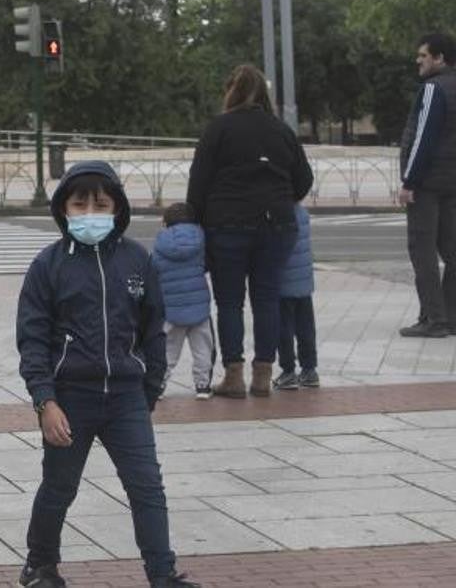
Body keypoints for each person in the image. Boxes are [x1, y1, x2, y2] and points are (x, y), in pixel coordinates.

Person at [17, 161, 197, 588]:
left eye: (101, 203)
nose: (90, 212)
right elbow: (32, 340)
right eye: (80, 204)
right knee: (59, 487)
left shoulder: (137, 260)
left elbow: (154, 329)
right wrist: (45, 401)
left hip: (125, 398)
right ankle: (40, 565)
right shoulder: (49, 265)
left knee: (147, 488)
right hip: (69, 398)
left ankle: (163, 573)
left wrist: (149, 389)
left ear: (117, 207)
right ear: (64, 209)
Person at [186, 65, 313, 399]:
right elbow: (304, 180)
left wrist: (196, 220)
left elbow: (198, 182)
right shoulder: (281, 130)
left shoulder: (219, 128)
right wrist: (282, 198)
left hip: (227, 223)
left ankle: (233, 375)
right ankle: (263, 375)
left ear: (232, 90)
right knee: (268, 299)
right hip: (277, 224)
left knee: (229, 302)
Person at [398, 33, 456, 338]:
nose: (418, 60)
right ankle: (450, 314)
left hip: (428, 184)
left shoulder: (433, 89)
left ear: (440, 58)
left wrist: (409, 181)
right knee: (452, 248)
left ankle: (434, 319)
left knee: (422, 249)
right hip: (451, 183)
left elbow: (423, 138)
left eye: (423, 55)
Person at [151, 203, 215, 400]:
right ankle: (203, 386)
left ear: (166, 222)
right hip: (199, 308)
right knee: (203, 348)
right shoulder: (201, 240)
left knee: (168, 351)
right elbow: (206, 264)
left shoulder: (161, 244)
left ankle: (159, 385)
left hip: (171, 309)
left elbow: (152, 270)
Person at [275, 203, 319, 389]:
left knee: (283, 328)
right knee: (306, 327)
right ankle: (309, 369)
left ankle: (288, 371)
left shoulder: (278, 213)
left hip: (283, 282)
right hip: (303, 282)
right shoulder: (302, 212)